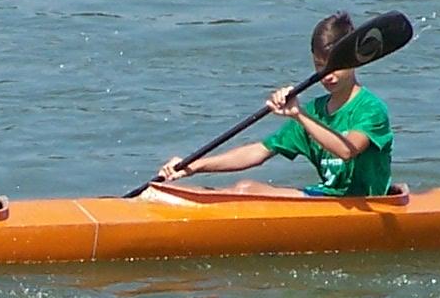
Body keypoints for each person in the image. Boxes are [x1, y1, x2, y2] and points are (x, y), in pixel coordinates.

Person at [154, 11, 395, 197]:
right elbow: (259, 152)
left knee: (245, 190)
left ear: (354, 61)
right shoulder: (315, 112)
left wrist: (299, 115)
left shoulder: (371, 109)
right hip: (328, 196)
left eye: (335, 66)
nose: (327, 75)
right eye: (320, 66)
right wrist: (193, 167)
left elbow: (347, 151)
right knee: (242, 189)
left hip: (365, 203)